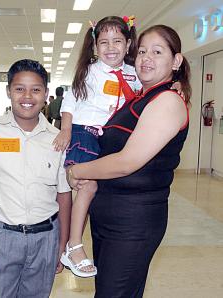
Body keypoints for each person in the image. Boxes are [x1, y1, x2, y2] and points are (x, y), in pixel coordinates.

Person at [67, 24, 191, 297]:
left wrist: (77, 170)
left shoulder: (167, 101)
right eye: (142, 50)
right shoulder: (138, 98)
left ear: (176, 61)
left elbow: (127, 161)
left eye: (157, 52)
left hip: (133, 221)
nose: (146, 58)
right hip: (110, 218)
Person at [0, 59, 72, 298]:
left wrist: (62, 243)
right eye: (19, 89)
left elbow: (64, 195)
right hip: (2, 237)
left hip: (46, 238)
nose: (27, 96)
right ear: (8, 91)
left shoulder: (57, 139)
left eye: (36, 89)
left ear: (46, 93)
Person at [54, 16, 141, 278]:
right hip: (84, 133)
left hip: (107, 139)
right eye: (103, 42)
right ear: (94, 46)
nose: (110, 47)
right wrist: (66, 130)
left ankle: (75, 243)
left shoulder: (133, 72)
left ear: (128, 44)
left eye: (117, 41)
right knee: (88, 186)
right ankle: (73, 246)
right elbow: (70, 103)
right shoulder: (91, 71)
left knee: (93, 192)